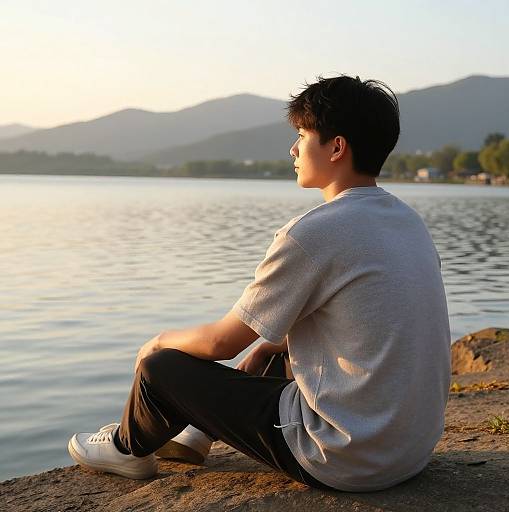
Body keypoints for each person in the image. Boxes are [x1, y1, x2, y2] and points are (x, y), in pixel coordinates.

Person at [68, 74, 451, 492]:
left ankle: (127, 449)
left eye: (302, 135)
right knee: (271, 351)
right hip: (409, 451)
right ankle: (196, 433)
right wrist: (274, 347)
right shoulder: (408, 222)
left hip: (344, 457)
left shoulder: (314, 232)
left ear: (336, 147)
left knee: (161, 368)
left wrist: (158, 341)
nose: (293, 148)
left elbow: (223, 344)